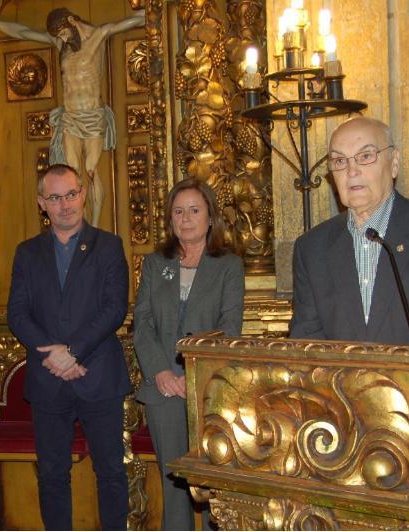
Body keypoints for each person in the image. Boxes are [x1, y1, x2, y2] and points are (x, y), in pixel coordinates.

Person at [289, 116, 409, 344]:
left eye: (365, 156)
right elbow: (307, 337)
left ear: (394, 163)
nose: (352, 171)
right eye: (340, 161)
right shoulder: (311, 248)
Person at [7, 163, 131, 530]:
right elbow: (17, 313)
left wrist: (72, 352)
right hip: (49, 380)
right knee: (51, 474)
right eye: (55, 197)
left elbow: (114, 309)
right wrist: (55, 355)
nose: (65, 204)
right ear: (41, 203)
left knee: (111, 472)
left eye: (72, 194)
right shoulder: (27, 252)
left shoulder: (109, 246)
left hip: (99, 375)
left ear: (83, 194)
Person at [133, 178, 245, 530]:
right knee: (174, 486)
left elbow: (229, 328)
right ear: (170, 218)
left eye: (194, 210)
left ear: (210, 217)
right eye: (178, 211)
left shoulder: (228, 265)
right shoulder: (155, 264)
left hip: (209, 391)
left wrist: (195, 376)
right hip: (163, 390)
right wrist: (161, 372)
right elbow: (142, 323)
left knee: (214, 485)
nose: (186, 219)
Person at [0, 8, 145, 227]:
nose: (63, 39)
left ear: (72, 21)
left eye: (64, 33)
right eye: (59, 36)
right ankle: (80, 224)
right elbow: (24, 32)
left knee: (91, 170)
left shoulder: (98, 35)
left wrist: (153, 9)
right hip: (70, 117)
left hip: (92, 116)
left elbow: (131, 21)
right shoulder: (61, 44)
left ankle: (93, 226)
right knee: (73, 174)